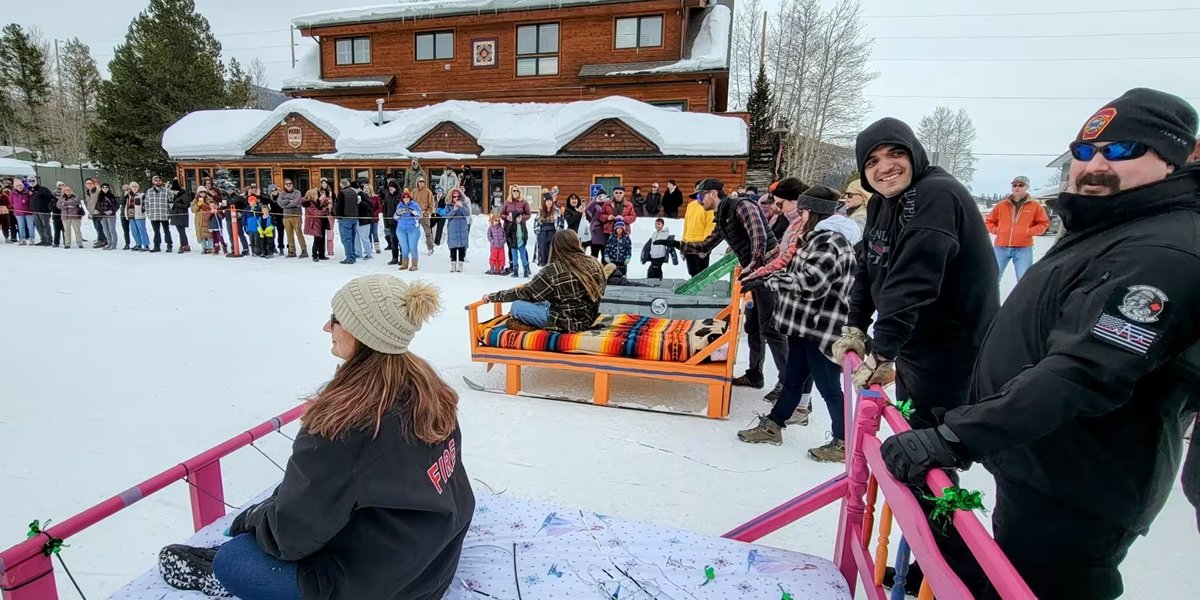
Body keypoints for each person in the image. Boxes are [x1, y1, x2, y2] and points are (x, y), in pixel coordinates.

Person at [881, 88, 1200, 600]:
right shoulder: (1116, 224)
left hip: (1081, 484)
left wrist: (955, 436)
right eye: (1083, 152)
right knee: (1010, 574)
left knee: (1042, 585)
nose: (1095, 165)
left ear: (1173, 158)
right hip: (1041, 460)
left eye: (1120, 151)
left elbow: (1081, 372)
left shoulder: (1159, 250)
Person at [159, 276, 474, 600]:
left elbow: (290, 536)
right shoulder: (429, 387)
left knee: (235, 560)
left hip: (390, 585)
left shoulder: (345, 427)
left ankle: (221, 577)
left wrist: (251, 520)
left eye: (336, 319)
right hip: (436, 556)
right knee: (283, 512)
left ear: (360, 334)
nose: (327, 327)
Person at [832, 117, 999, 430]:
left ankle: (935, 480)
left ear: (913, 154)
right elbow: (869, 267)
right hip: (913, 343)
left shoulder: (936, 194)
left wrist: (881, 352)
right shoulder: (883, 201)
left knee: (928, 444)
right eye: (873, 160)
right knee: (910, 428)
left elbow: (913, 278)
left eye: (895, 154)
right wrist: (855, 326)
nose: (885, 167)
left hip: (951, 351)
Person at [736, 187, 862, 462]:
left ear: (813, 212)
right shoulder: (816, 238)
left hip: (821, 327)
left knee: (829, 387)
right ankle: (774, 425)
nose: (799, 217)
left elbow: (810, 283)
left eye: (803, 211)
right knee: (793, 379)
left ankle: (844, 443)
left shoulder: (831, 242)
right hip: (804, 325)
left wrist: (767, 282)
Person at [657, 178, 785, 390]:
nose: (698, 201)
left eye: (700, 196)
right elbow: (706, 245)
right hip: (755, 275)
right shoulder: (723, 216)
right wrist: (679, 244)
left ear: (713, 194)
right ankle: (755, 375)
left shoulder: (742, 206)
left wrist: (752, 266)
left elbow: (759, 238)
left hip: (768, 274)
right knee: (753, 326)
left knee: (771, 329)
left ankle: (789, 385)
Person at [483, 229, 606, 331]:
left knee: (517, 306)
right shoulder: (594, 263)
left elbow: (526, 292)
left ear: (555, 247)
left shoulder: (552, 271)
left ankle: (531, 326)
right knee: (541, 300)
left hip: (565, 321)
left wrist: (494, 297)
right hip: (590, 317)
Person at [985, 175, 1050, 281]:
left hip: (1023, 249)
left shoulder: (1035, 206)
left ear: (1027, 187)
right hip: (1000, 248)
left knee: (1024, 280)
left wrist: (1028, 232)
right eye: (1014, 185)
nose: (1017, 187)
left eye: (1020, 185)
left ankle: (1024, 298)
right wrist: (997, 230)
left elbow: (1044, 223)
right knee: (993, 278)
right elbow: (989, 221)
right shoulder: (1001, 206)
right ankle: (991, 298)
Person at [681, 189, 716, 276]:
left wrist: (705, 246)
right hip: (689, 243)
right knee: (692, 272)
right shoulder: (690, 206)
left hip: (701, 244)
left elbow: (710, 226)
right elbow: (686, 225)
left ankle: (702, 290)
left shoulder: (708, 207)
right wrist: (683, 242)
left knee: (702, 273)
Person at [277, 178, 307, 258]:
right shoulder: (282, 194)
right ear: (284, 185)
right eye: (287, 184)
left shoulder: (297, 192)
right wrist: (289, 201)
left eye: (290, 183)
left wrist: (286, 205)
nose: (288, 185)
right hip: (286, 216)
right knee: (289, 234)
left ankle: (304, 250)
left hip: (296, 215)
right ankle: (291, 251)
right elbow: (280, 203)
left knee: (299, 233)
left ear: (292, 184)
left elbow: (296, 202)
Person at [394, 189, 423, 271]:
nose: (406, 198)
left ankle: (414, 264)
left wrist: (411, 211)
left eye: (407, 197)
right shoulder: (399, 205)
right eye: (404, 197)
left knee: (412, 247)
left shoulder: (414, 204)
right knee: (404, 247)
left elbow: (420, 215)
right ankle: (404, 263)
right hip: (401, 229)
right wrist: (399, 213)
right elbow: (395, 217)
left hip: (413, 228)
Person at [144, 176, 174, 253]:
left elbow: (171, 201)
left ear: (161, 182)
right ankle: (157, 246)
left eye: (159, 180)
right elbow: (146, 203)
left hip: (164, 214)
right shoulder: (149, 191)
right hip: (153, 214)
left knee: (166, 230)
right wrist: (148, 212)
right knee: (156, 231)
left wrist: (170, 211)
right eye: (156, 180)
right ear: (153, 182)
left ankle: (169, 245)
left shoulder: (167, 191)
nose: (158, 182)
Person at [334, 178, 360, 264]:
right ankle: (352, 255)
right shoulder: (353, 192)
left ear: (341, 185)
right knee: (352, 238)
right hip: (354, 218)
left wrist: (338, 216)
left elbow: (339, 206)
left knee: (346, 239)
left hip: (345, 218)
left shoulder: (342, 193)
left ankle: (349, 257)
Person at [445, 189, 471, 272]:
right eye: (454, 196)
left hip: (462, 228)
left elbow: (467, 213)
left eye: (458, 196)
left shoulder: (464, 204)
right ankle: (453, 264)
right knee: (453, 246)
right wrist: (454, 210)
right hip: (453, 228)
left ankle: (460, 264)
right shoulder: (448, 206)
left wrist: (461, 207)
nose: (456, 198)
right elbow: (446, 216)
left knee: (462, 246)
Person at [505, 199, 531, 278]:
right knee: (515, 258)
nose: (520, 218)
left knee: (523, 258)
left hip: (521, 244)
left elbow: (525, 233)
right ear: (515, 218)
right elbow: (507, 234)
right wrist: (510, 241)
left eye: (521, 217)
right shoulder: (511, 226)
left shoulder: (523, 225)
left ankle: (526, 270)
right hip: (514, 245)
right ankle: (515, 271)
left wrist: (525, 240)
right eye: (518, 217)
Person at [302, 190, 330, 262]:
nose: (318, 195)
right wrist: (325, 210)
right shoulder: (309, 203)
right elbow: (315, 212)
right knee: (317, 239)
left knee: (322, 239)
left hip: (321, 222)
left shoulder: (316, 202)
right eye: (317, 194)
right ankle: (314, 255)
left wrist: (325, 203)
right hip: (315, 223)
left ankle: (321, 254)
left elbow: (320, 207)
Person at [411, 177, 435, 256]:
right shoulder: (414, 191)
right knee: (413, 232)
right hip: (415, 214)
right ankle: (412, 247)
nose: (421, 183)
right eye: (420, 181)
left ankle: (430, 248)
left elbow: (431, 204)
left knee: (427, 231)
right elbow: (411, 202)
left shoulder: (428, 192)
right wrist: (412, 212)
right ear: (417, 182)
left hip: (424, 214)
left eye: (423, 181)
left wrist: (428, 212)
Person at [534, 192, 559, 267]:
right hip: (542, 233)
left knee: (552, 253)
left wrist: (558, 234)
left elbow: (560, 224)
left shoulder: (556, 211)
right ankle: (544, 267)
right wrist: (538, 233)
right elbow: (536, 224)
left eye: (550, 201)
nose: (549, 203)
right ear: (545, 202)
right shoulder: (540, 212)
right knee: (543, 252)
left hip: (553, 233)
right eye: (547, 201)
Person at [28, 176, 55, 246]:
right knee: (38, 226)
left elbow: (51, 198)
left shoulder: (43, 189)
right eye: (30, 181)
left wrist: (49, 208)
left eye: (33, 181)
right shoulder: (29, 190)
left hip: (44, 211)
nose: (31, 182)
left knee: (45, 225)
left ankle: (49, 240)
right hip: (34, 211)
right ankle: (43, 239)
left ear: (36, 181)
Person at [382, 180, 402, 265]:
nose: (391, 188)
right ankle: (394, 257)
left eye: (392, 187)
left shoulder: (400, 196)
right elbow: (385, 210)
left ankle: (402, 257)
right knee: (393, 240)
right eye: (390, 187)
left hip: (400, 222)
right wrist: (385, 222)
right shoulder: (387, 196)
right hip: (390, 222)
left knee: (401, 241)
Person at [169, 180, 193, 254]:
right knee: (180, 231)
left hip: (181, 215)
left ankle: (183, 245)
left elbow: (186, 205)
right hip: (177, 215)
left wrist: (175, 205)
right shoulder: (176, 195)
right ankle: (185, 244)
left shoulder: (183, 195)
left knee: (181, 231)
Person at [126, 182, 150, 251]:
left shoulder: (141, 195)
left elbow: (145, 204)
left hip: (139, 216)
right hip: (131, 215)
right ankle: (138, 244)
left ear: (138, 188)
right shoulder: (129, 196)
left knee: (142, 230)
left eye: (136, 187)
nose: (134, 188)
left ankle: (146, 245)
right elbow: (123, 203)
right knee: (134, 231)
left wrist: (142, 211)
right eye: (133, 187)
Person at [82, 178, 106, 248]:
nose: (89, 185)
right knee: (96, 226)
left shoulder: (97, 190)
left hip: (98, 212)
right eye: (87, 183)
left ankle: (103, 240)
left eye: (90, 183)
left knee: (99, 227)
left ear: (93, 184)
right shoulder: (88, 192)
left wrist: (99, 209)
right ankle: (101, 238)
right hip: (92, 212)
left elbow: (101, 200)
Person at [9, 179, 34, 245]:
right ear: (15, 186)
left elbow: (31, 200)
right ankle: (22, 239)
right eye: (18, 185)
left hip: (28, 211)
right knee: (21, 226)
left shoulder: (27, 192)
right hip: (18, 212)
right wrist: (16, 206)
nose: (20, 186)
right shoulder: (12, 193)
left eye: (21, 185)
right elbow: (11, 202)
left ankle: (32, 239)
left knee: (30, 226)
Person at [354, 183, 375, 260]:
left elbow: (369, 207)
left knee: (364, 237)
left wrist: (360, 202)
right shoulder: (353, 195)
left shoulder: (364, 195)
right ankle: (358, 252)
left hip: (364, 220)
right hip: (355, 219)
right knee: (356, 237)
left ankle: (368, 253)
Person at [96, 183, 120, 251]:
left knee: (112, 230)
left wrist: (111, 211)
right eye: (103, 187)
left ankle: (114, 244)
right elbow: (98, 206)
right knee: (106, 230)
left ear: (109, 188)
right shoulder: (99, 196)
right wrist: (98, 211)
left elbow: (117, 206)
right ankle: (109, 243)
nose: (105, 189)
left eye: (106, 187)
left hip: (111, 215)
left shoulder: (112, 196)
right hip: (102, 215)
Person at [585, 191, 608, 259]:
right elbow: (588, 209)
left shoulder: (607, 205)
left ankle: (604, 269)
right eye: (600, 196)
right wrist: (595, 201)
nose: (602, 198)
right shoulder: (595, 206)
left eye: (604, 196)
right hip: (596, 234)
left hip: (606, 233)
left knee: (605, 257)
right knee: (594, 255)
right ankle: (594, 269)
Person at [192, 187, 212, 253]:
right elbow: (193, 210)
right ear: (198, 193)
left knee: (209, 234)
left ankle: (210, 248)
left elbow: (212, 206)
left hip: (207, 218)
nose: (203, 193)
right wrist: (199, 204)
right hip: (199, 219)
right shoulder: (195, 200)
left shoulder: (209, 198)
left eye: (204, 192)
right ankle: (204, 248)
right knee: (201, 235)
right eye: (201, 192)